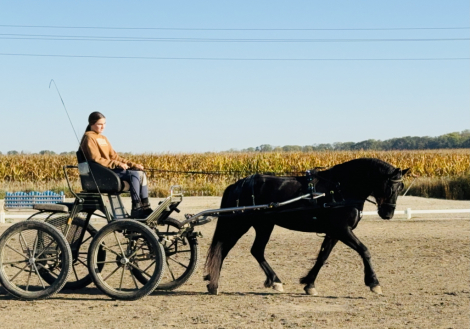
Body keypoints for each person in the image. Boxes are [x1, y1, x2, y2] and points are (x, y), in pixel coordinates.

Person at [80, 111, 152, 219]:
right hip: (102, 173)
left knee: (140, 173)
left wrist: (133, 165)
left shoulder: (103, 138)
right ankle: (136, 208)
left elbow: (115, 156)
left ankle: (145, 207)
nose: (103, 126)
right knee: (135, 175)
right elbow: (96, 159)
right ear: (91, 123)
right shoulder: (89, 137)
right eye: (100, 124)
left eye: (104, 123)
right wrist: (116, 164)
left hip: (110, 170)